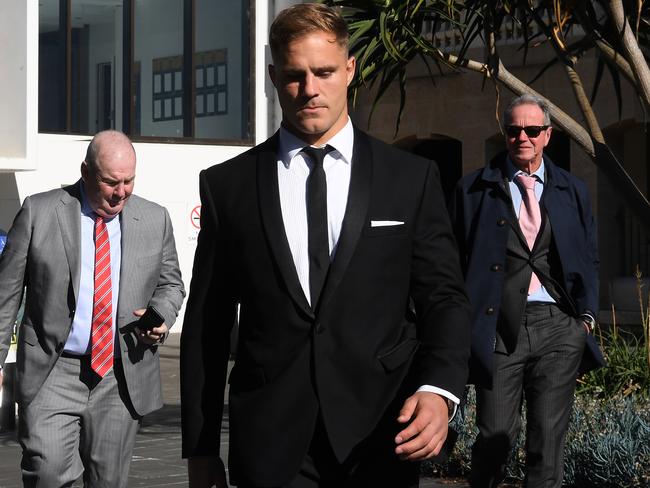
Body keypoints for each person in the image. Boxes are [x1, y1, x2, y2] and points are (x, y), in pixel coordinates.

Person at [180, 3, 471, 488]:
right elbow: (207, 327)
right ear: (273, 76)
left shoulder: (409, 179)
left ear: (350, 69)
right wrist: (201, 449)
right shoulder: (228, 187)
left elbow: (443, 296)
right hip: (270, 442)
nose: (310, 89)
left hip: (380, 434)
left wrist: (439, 390)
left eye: (324, 71)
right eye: (295, 75)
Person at [0, 130, 185, 487]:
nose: (121, 193)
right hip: (53, 369)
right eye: (111, 182)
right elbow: (5, 293)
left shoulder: (154, 218)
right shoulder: (40, 212)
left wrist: (160, 316)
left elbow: (171, 284)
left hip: (120, 375)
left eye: (129, 181)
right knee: (47, 473)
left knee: (107, 481)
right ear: (85, 171)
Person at [449, 94, 606, 487]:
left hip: (558, 326)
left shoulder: (572, 190)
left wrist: (585, 319)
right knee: (494, 436)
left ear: (547, 135)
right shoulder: (473, 190)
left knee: (548, 443)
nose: (523, 137)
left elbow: (588, 255)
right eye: (514, 129)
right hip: (498, 327)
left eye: (532, 130)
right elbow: (452, 260)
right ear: (505, 133)